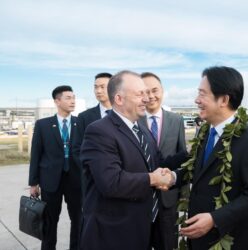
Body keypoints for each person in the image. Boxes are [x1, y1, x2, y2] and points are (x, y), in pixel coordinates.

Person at [79, 70, 176, 250]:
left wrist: (195, 155)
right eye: (140, 94)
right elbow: (111, 182)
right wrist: (153, 179)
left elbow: (158, 162)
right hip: (113, 234)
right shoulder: (100, 131)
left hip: (142, 228)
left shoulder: (141, 129)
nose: (146, 99)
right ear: (119, 99)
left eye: (146, 93)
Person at [177, 66, 248, 250]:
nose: (197, 100)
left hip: (230, 239)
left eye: (203, 94)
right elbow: (196, 170)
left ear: (224, 100)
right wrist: (171, 176)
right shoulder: (205, 133)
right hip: (198, 237)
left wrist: (214, 219)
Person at [28, 85, 82, 250]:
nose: (73, 101)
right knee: (50, 221)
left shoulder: (80, 123)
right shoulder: (43, 125)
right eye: (68, 98)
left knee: (79, 219)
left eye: (73, 97)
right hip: (50, 181)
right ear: (57, 101)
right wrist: (33, 183)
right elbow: (36, 154)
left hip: (76, 179)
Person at [139, 72, 186, 250]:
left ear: (162, 91)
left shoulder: (176, 120)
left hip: (168, 197)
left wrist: (182, 195)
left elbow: (182, 157)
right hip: (140, 197)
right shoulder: (134, 121)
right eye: (145, 92)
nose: (151, 96)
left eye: (154, 90)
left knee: (168, 244)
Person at [72, 72, 112, 198]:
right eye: (95, 87)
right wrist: (92, 170)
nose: (98, 91)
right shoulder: (84, 117)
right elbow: (77, 149)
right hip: (93, 181)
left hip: (123, 180)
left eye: (102, 87)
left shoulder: (126, 114)